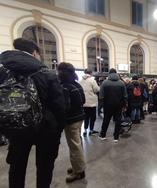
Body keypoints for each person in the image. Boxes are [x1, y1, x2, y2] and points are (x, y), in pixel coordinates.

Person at [0, 38, 66, 188]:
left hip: (16, 125)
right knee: (44, 167)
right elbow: (59, 106)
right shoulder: (46, 73)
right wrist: (59, 128)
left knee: (16, 166)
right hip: (46, 128)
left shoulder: (3, 71)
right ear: (35, 52)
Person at [57, 62, 86, 183]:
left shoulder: (64, 87)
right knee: (77, 144)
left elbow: (64, 107)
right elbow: (83, 100)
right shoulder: (76, 85)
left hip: (71, 120)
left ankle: (78, 172)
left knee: (74, 145)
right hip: (79, 118)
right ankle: (77, 166)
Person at [99, 68, 127, 142]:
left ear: (109, 74)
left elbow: (101, 96)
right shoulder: (121, 83)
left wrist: (101, 106)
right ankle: (116, 137)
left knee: (106, 120)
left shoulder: (104, 83)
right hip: (118, 105)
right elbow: (125, 96)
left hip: (107, 105)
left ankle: (103, 135)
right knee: (118, 121)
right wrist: (125, 105)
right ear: (116, 73)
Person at [79, 68, 100, 136]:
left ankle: (85, 130)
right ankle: (91, 130)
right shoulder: (92, 80)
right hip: (92, 103)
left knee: (86, 117)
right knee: (92, 117)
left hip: (84, 102)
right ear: (91, 73)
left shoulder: (80, 80)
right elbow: (96, 89)